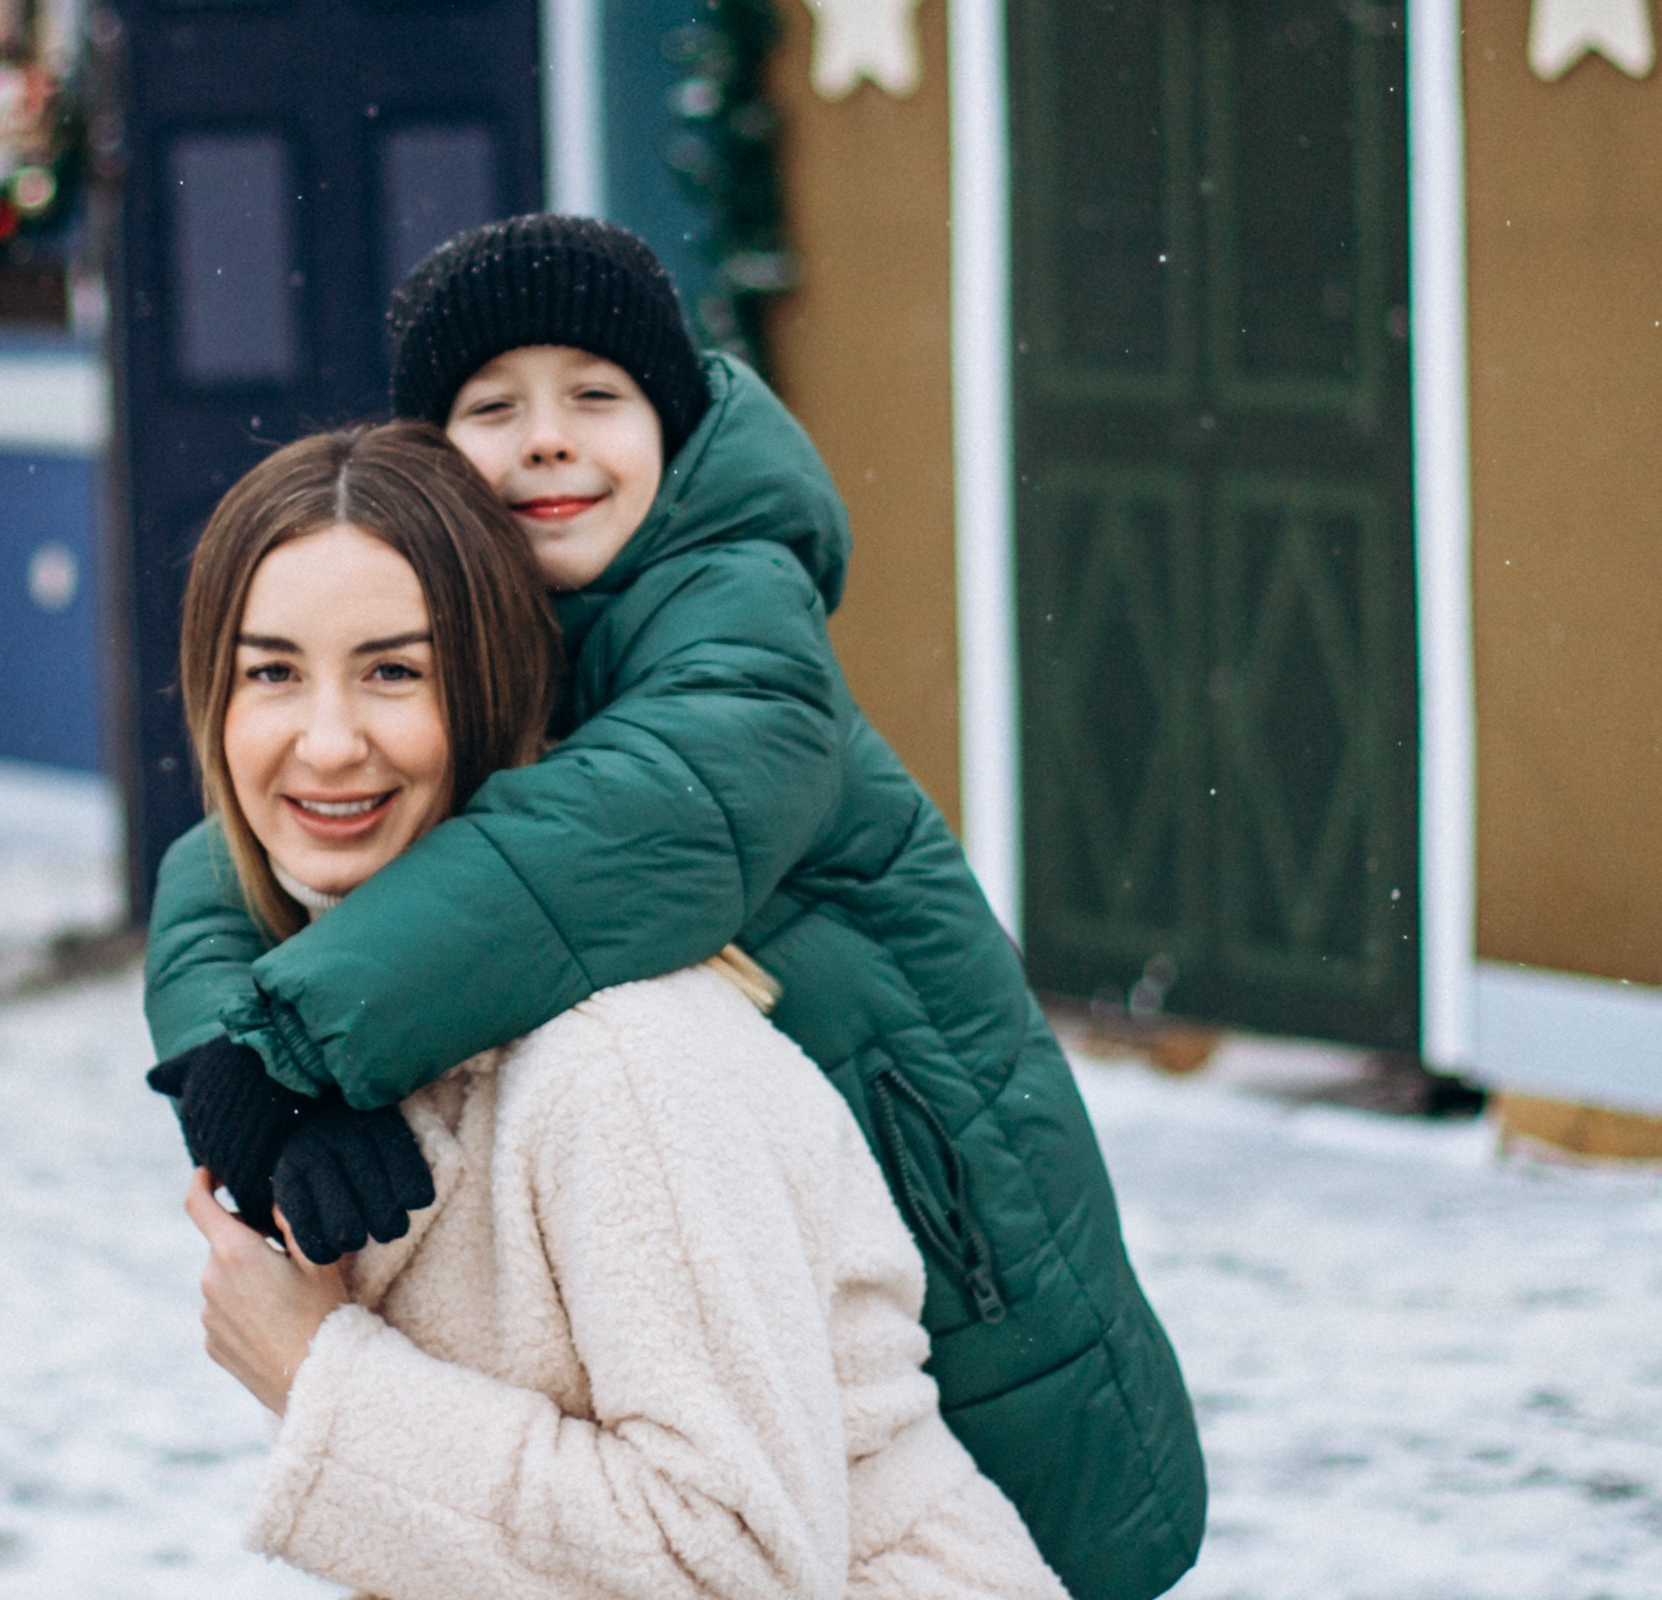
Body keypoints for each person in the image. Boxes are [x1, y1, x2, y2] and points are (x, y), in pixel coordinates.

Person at [144, 216, 1204, 1600]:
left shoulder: (735, 620)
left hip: (949, 1198)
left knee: (1027, 1481)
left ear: (679, 423)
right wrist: (249, 1072)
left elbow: (643, 817)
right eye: (491, 409)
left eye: (597, 395)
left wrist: (296, 1052)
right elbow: (217, 868)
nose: (544, 442)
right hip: (760, 1282)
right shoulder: (510, 672)